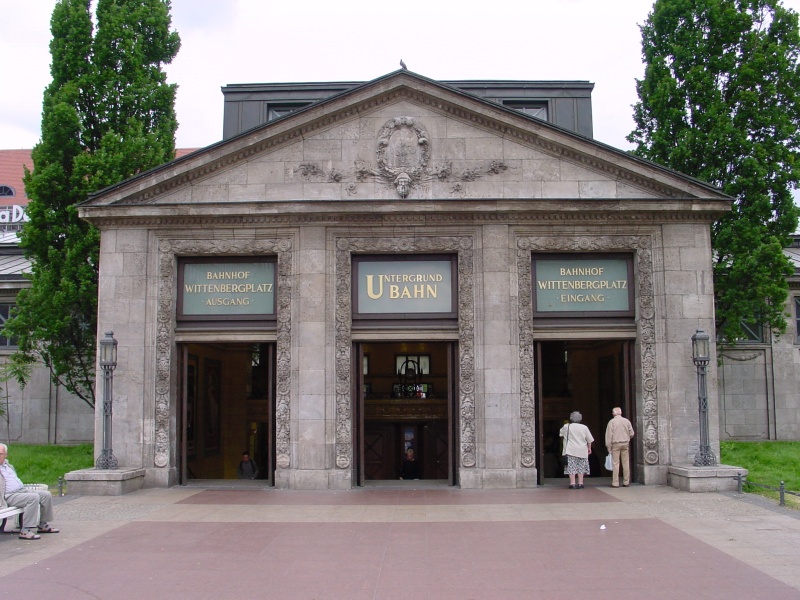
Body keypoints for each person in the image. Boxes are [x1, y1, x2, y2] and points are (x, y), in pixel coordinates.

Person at [0, 443, 59, 540]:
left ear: (6, 455)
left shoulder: (8, 466)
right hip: (8, 496)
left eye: (0, 454)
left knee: (46, 494)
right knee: (32, 498)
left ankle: (43, 524)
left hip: (21, 491)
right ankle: (25, 530)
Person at [559, 412, 594, 489]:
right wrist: (589, 448)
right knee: (581, 466)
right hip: (582, 449)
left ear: (571, 418)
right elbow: (589, 440)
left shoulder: (567, 427)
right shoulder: (584, 427)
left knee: (571, 466)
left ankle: (572, 483)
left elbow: (561, 434)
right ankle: (581, 483)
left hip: (570, 449)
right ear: (580, 418)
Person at [605, 407, 635, 488]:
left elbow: (609, 436)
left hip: (616, 444)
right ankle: (626, 481)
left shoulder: (611, 422)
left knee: (616, 463)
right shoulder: (626, 421)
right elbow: (632, 433)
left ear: (613, 413)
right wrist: (627, 438)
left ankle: (615, 482)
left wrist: (609, 446)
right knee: (625, 463)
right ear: (621, 413)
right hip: (625, 443)